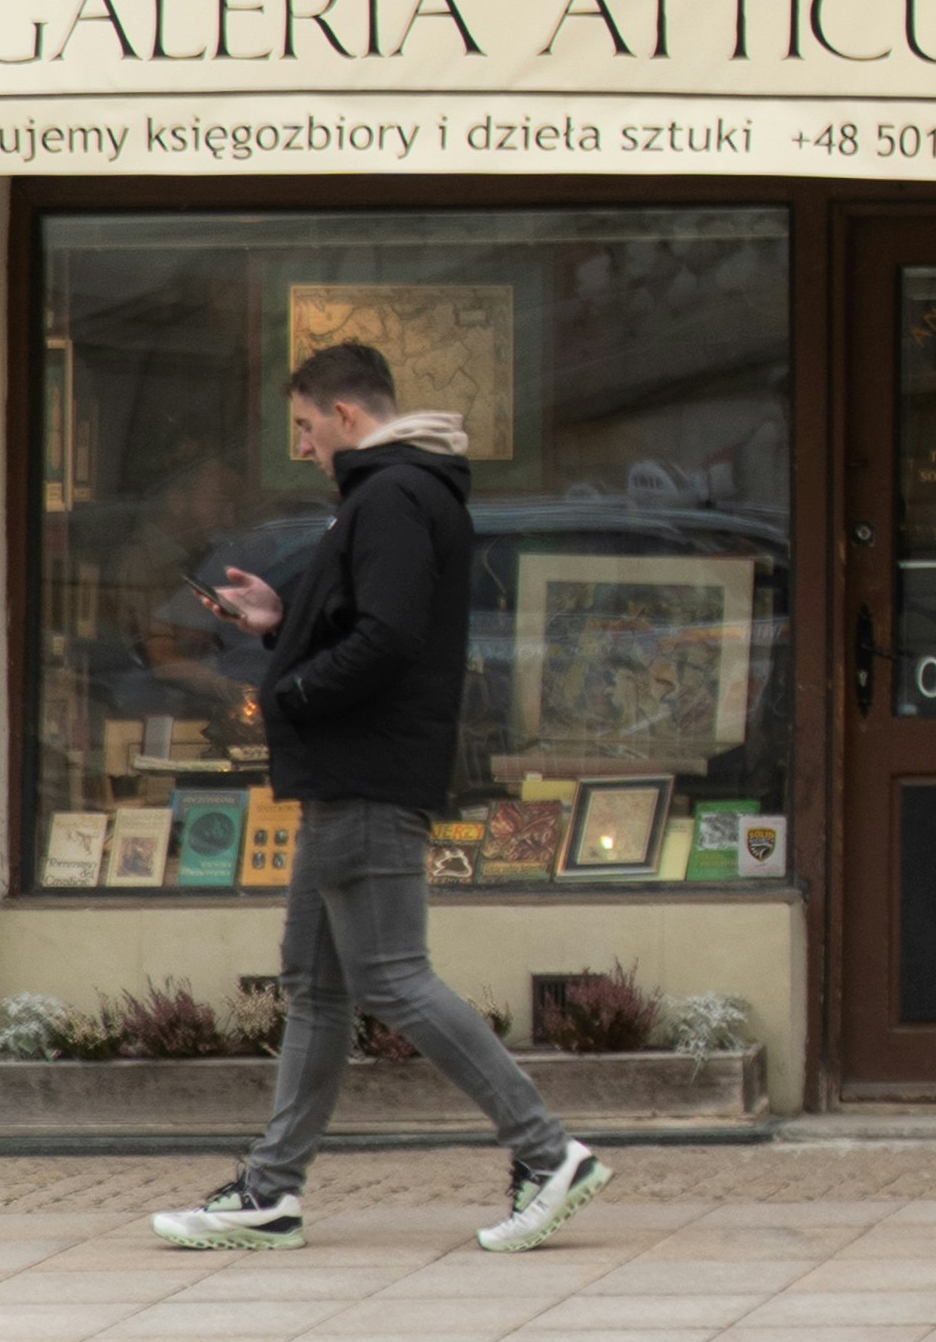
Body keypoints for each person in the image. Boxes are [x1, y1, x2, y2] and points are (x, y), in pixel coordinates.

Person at [152, 341, 611, 1256]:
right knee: (317, 987)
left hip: (365, 772)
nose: (305, 446)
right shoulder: (385, 494)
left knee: (392, 975)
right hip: (348, 774)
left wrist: (286, 689)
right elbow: (371, 618)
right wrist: (281, 619)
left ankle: (547, 1152)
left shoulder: (395, 494)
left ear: (348, 416)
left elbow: (390, 638)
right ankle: (271, 1193)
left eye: (307, 427)